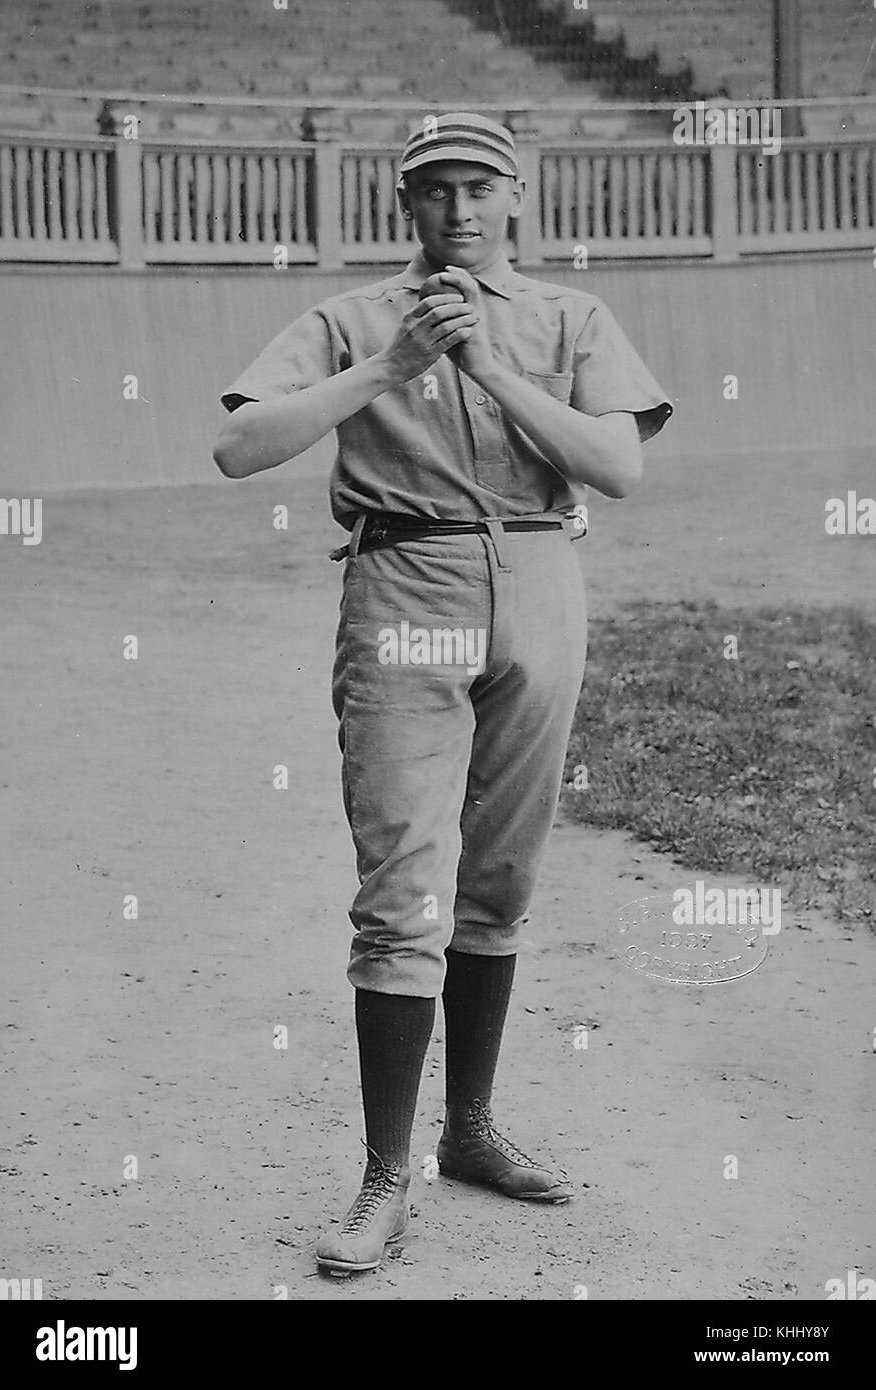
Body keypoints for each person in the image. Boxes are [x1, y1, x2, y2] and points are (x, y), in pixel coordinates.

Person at [214, 112, 673, 1277]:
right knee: (402, 886)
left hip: (536, 574)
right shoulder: (356, 317)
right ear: (404, 205)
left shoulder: (568, 316)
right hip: (404, 573)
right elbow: (240, 447)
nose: (459, 209)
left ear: (514, 196)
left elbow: (616, 467)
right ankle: (383, 1175)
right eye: (435, 191)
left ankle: (466, 1130)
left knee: (501, 875)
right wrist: (394, 366)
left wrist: (485, 367)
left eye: (479, 187)